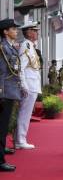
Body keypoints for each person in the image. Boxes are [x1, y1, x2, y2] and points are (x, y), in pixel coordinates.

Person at [0, 18, 25, 171]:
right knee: (1, 128)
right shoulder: (3, 48)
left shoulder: (11, 47)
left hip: (11, 91)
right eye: (13, 28)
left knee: (3, 126)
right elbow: (2, 72)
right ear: (5, 31)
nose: (16, 31)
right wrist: (1, 93)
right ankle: (0, 161)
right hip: (5, 93)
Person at [16, 21, 42, 149]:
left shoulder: (31, 46)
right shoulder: (26, 45)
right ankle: (20, 140)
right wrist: (23, 85)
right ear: (29, 32)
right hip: (29, 85)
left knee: (26, 113)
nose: (37, 33)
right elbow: (20, 67)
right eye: (35, 30)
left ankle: (20, 138)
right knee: (24, 113)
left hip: (33, 84)